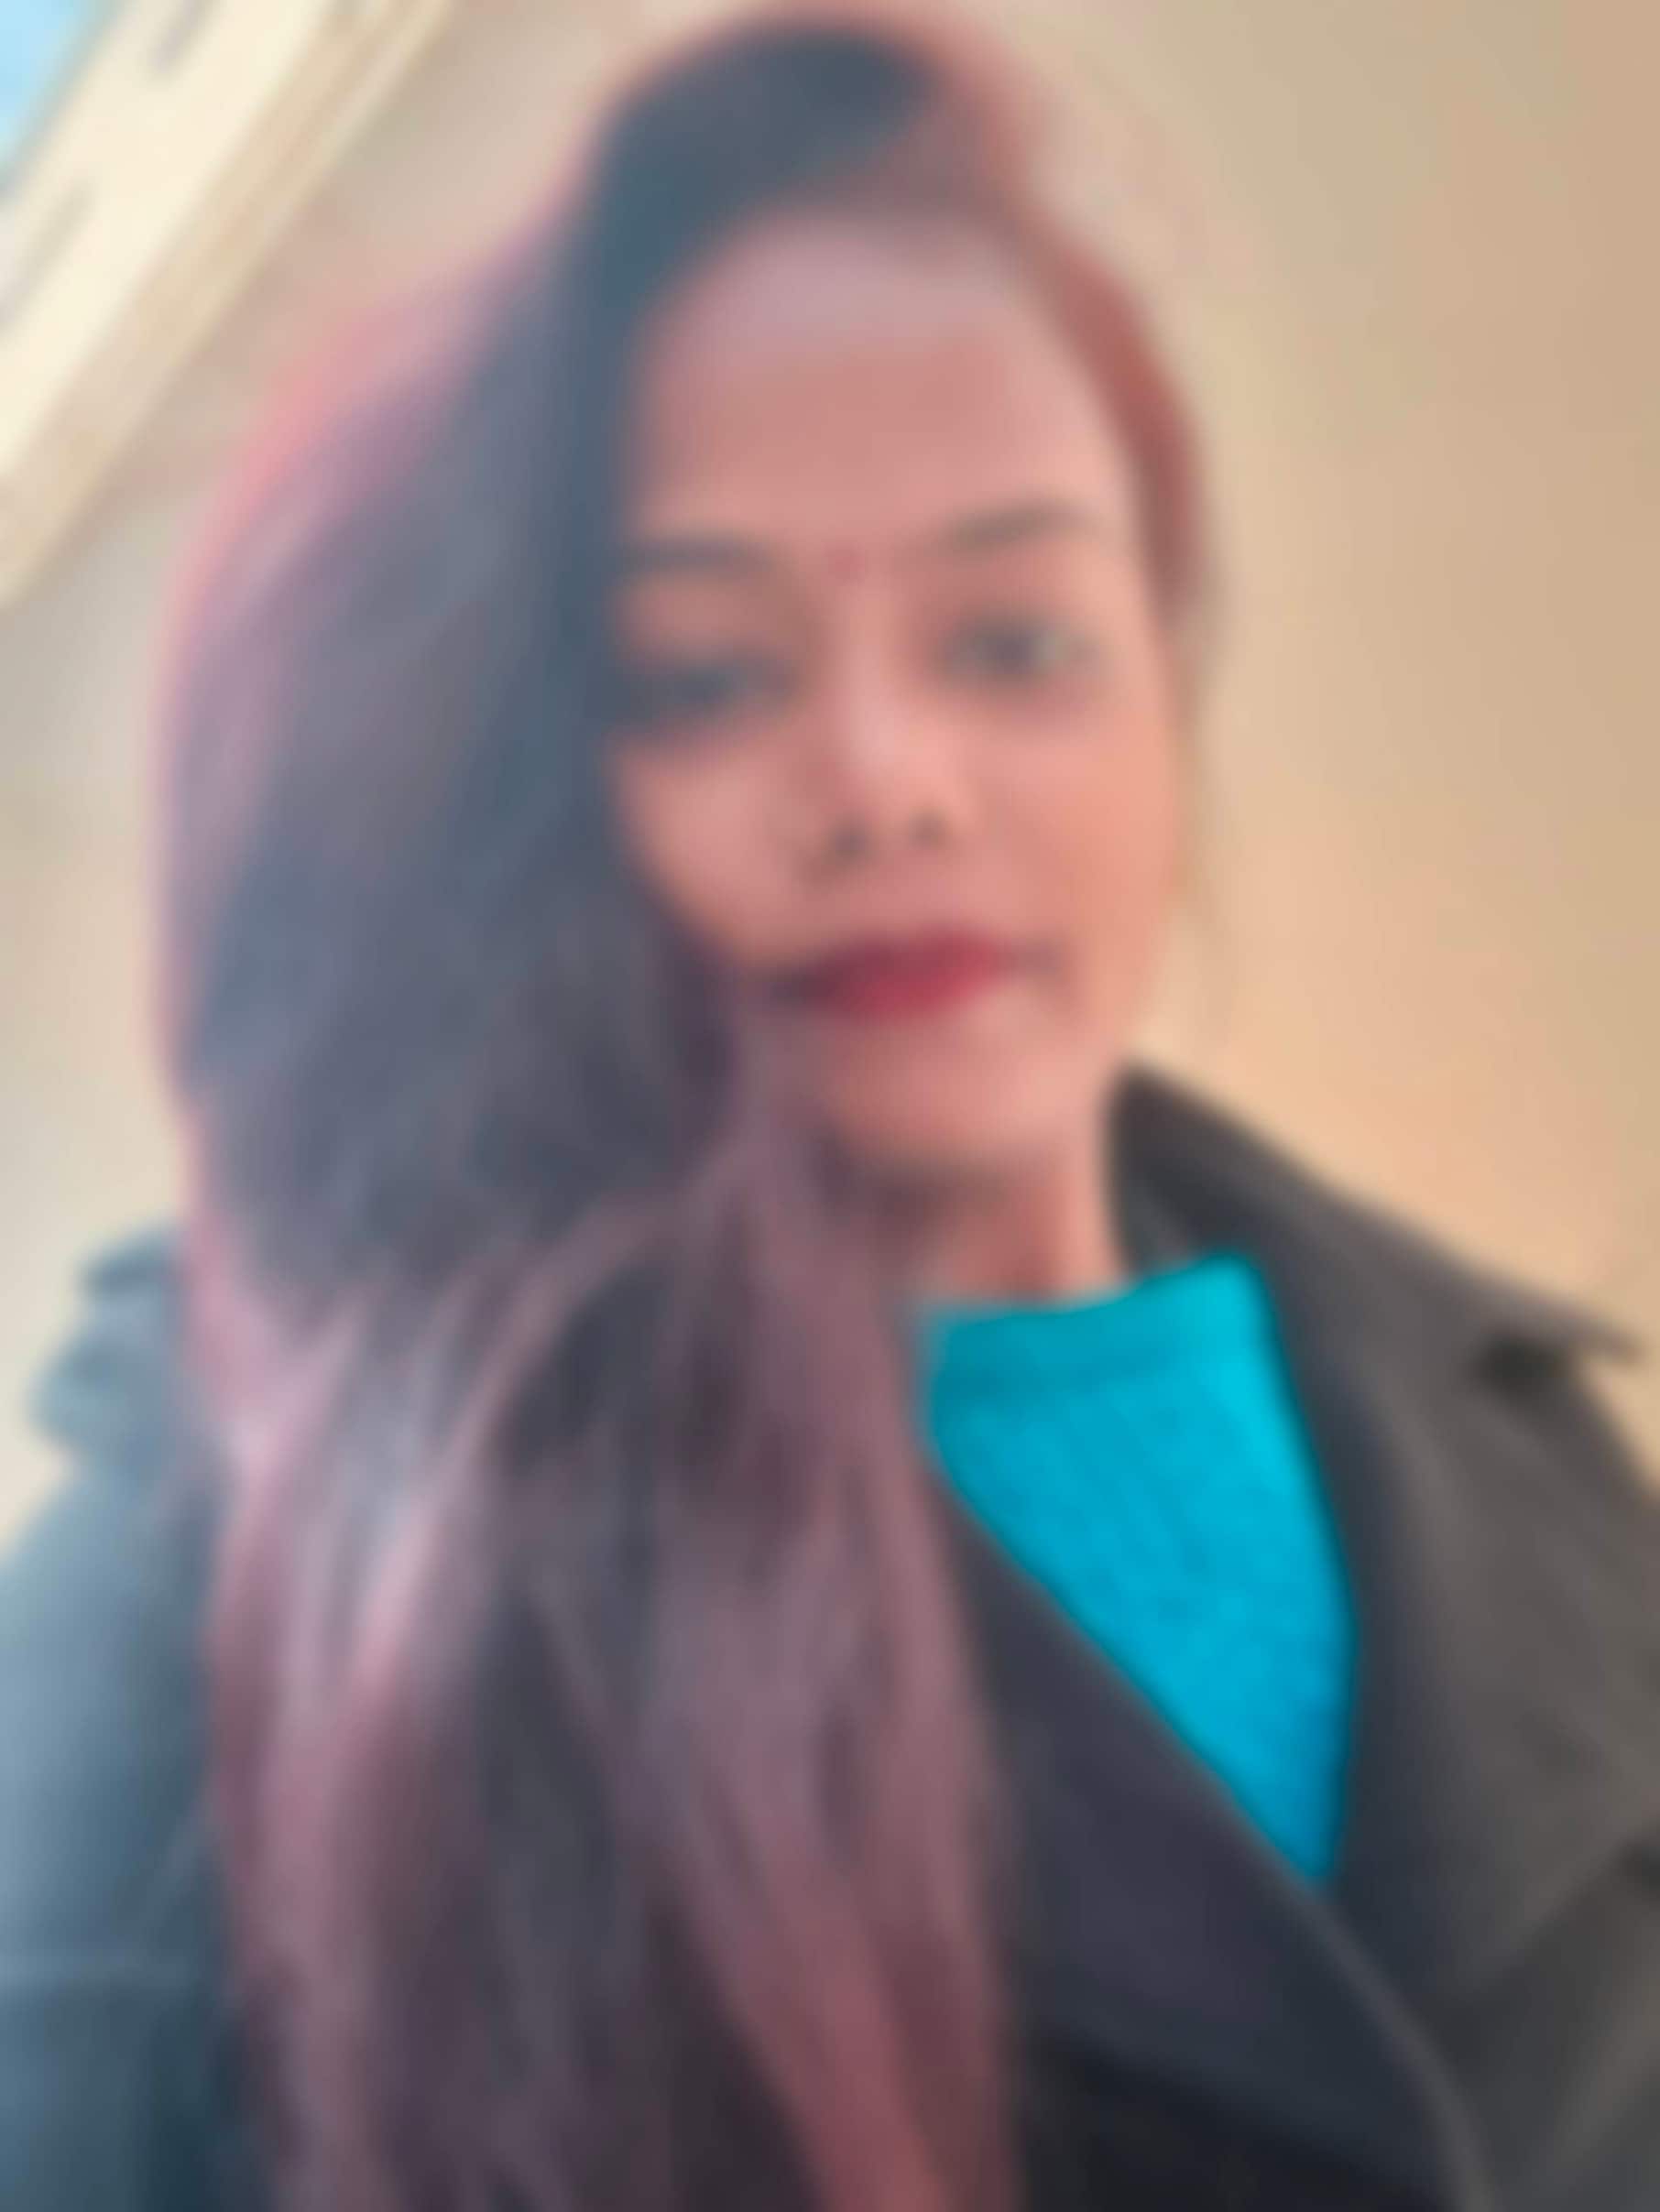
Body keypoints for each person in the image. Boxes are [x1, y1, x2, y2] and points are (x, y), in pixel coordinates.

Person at [3, 6, 1657, 2208]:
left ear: (1165, 699)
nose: (887, 780)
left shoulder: (1535, 1437)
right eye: (705, 674)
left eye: (1015, 639)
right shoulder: (249, 1541)